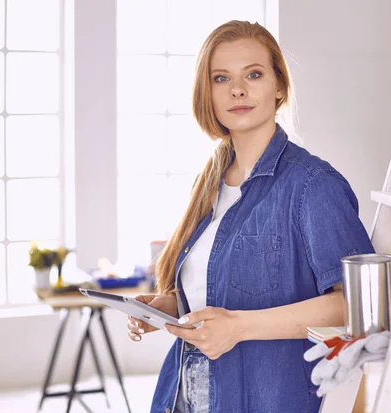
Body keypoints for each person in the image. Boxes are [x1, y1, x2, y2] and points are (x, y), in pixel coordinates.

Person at [126, 20, 374, 413]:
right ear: (206, 92)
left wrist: (239, 328)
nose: (237, 90)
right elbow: (219, 290)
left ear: (279, 87)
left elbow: (354, 307)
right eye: (221, 78)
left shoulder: (313, 185)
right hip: (184, 398)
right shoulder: (208, 183)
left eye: (253, 74)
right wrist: (168, 306)